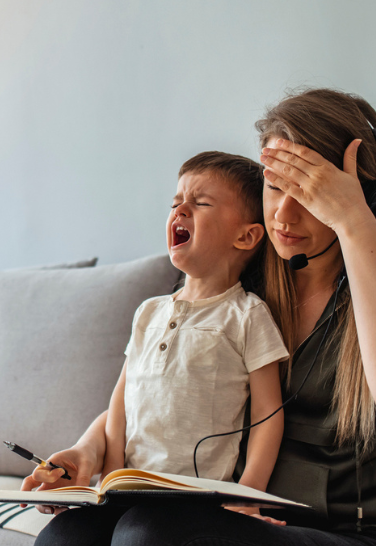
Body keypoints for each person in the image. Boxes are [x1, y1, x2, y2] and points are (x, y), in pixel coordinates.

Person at [24, 88, 376, 546]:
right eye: (275, 188)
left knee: (149, 542)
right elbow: (158, 384)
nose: (285, 213)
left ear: (360, 197)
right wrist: (88, 451)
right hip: (235, 526)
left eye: (312, 194)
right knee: (65, 545)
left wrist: (353, 224)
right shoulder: (242, 286)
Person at [96, 151, 289, 512]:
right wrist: (110, 479)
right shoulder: (148, 312)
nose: (180, 210)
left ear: (246, 237)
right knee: (58, 540)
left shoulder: (247, 314)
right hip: (129, 490)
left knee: (140, 538)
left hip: (196, 501)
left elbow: (268, 416)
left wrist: (247, 497)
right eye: (176, 202)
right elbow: (119, 404)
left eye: (200, 203)